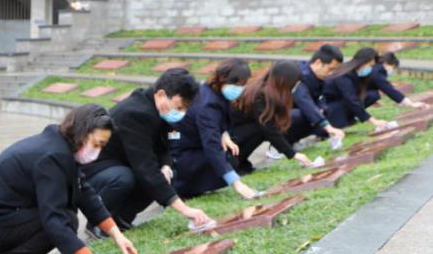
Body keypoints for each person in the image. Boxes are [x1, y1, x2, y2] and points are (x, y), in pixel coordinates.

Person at [0, 104, 142, 254]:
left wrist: (117, 235)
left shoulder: (63, 146)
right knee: (64, 220)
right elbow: (54, 218)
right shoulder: (52, 156)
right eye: (96, 144)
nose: (98, 151)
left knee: (64, 217)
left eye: (103, 146)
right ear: (81, 133)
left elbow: (85, 192)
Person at [79, 68, 214, 229]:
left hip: (125, 162)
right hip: (96, 170)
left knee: (165, 175)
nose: (181, 113)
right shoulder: (134, 114)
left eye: (185, 109)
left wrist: (166, 165)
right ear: (161, 95)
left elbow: (164, 146)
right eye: (179, 107)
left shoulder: (159, 108)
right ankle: (98, 224)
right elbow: (145, 168)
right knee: (127, 177)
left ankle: (121, 219)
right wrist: (184, 209)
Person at [169, 59, 260, 200]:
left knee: (230, 153)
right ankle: (184, 188)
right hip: (182, 154)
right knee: (226, 158)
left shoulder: (211, 91)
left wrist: (223, 134)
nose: (240, 89)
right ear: (224, 80)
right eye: (238, 84)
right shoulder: (208, 104)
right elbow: (211, 145)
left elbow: (217, 122)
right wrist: (237, 184)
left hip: (192, 143)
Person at [230, 61, 327, 176]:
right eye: (293, 83)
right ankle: (236, 162)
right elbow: (268, 128)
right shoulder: (261, 94)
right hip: (231, 134)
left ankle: (240, 161)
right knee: (261, 129)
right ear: (284, 81)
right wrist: (293, 154)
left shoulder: (268, 89)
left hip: (241, 131)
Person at [280, 44, 346, 152]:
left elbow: (320, 98)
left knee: (322, 112)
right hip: (277, 114)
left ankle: (292, 141)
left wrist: (322, 108)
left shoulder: (319, 78)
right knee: (300, 115)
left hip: (294, 110)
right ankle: (278, 147)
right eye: (330, 69)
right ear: (318, 63)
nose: (331, 73)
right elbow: (304, 101)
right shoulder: (299, 74)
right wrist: (327, 126)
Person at [323, 47, 392, 130]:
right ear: (362, 62)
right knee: (352, 102)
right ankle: (335, 123)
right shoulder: (344, 76)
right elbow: (351, 100)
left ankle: (347, 118)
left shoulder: (355, 73)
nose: (370, 69)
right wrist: (373, 121)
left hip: (338, 103)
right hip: (328, 107)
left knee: (372, 95)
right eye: (370, 65)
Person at [364, 52, 429, 111]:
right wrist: (411, 104)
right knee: (374, 95)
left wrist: (371, 100)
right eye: (393, 67)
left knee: (373, 95)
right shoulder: (378, 73)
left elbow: (366, 86)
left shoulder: (373, 68)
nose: (392, 70)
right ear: (386, 64)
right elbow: (389, 90)